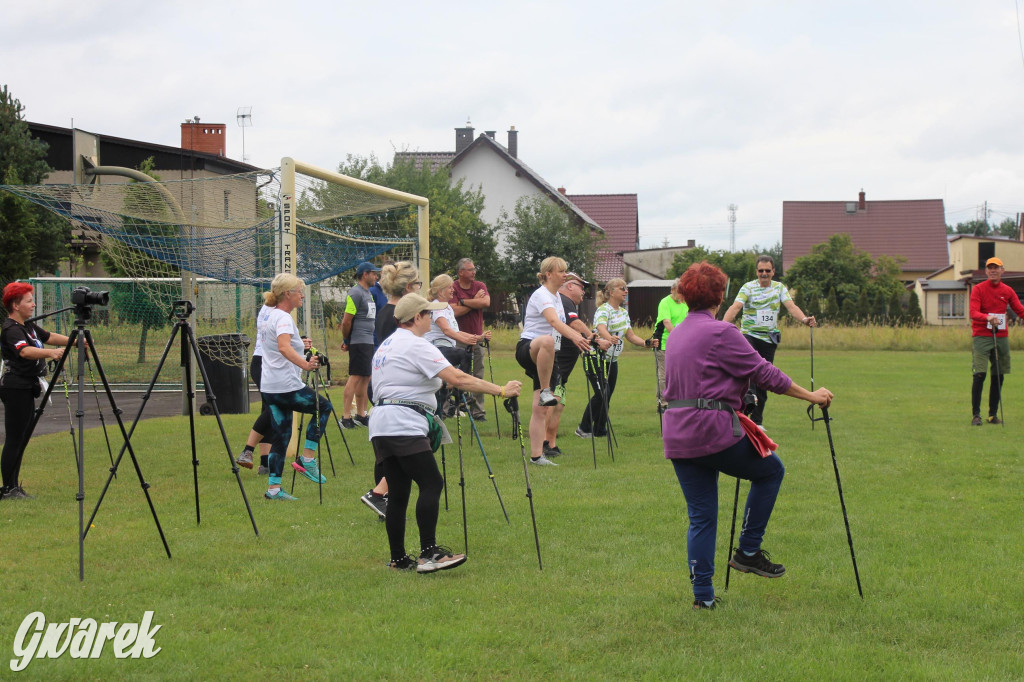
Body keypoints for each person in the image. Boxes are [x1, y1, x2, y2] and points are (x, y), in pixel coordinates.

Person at [663, 262, 833, 610]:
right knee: (771, 471)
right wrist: (812, 396)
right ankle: (748, 551)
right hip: (711, 429)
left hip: (678, 432)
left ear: (684, 294)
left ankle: (704, 599)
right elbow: (764, 373)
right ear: (720, 295)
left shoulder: (678, 331)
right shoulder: (723, 332)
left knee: (701, 516)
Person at [370, 293, 522, 571]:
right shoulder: (417, 345)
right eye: (428, 314)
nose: (432, 318)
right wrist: (501, 390)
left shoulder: (387, 345)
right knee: (432, 483)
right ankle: (429, 554)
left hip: (381, 424)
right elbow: (459, 378)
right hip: (405, 424)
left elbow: (409, 382)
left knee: (400, 491)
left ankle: (399, 559)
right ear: (416, 318)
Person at [259, 273, 332, 501]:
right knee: (324, 407)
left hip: (270, 386)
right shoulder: (282, 318)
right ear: (287, 294)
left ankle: (274, 489)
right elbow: (283, 347)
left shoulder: (271, 316)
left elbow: (282, 346)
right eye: (299, 291)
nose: (302, 295)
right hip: (285, 386)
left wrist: (301, 347)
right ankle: (307, 459)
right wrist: (305, 363)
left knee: (281, 435)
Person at [722, 255, 816, 426]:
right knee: (749, 371)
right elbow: (735, 307)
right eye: (760, 271)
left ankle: (757, 421)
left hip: (768, 339)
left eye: (767, 270)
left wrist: (804, 320)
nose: (764, 273)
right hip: (748, 335)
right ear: (756, 272)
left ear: (773, 272)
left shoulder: (779, 288)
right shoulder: (747, 287)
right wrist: (720, 327)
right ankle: (748, 397)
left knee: (764, 380)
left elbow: (791, 307)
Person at [516, 257, 591, 466]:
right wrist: (577, 338)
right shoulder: (541, 295)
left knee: (540, 408)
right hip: (529, 348)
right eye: (561, 271)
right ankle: (547, 390)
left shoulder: (558, 296)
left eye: (566, 271)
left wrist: (590, 338)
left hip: (547, 356)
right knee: (548, 341)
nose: (565, 274)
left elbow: (569, 322)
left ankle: (537, 456)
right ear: (548, 274)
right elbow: (553, 321)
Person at [361, 260, 422, 519]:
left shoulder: (387, 311)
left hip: (382, 382)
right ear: (408, 286)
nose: (421, 289)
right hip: (391, 385)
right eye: (418, 284)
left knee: (385, 450)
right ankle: (380, 494)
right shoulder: (399, 316)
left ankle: (384, 501)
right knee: (399, 449)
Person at [1, 282, 71, 500]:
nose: (34, 304)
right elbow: (25, 352)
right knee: (15, 438)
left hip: (26, 386)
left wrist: (76, 340)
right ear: (15, 304)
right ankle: (9, 488)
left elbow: (49, 336)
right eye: (29, 301)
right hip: (15, 387)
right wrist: (51, 354)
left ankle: (13, 486)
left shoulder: (28, 325)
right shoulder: (11, 329)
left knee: (22, 437)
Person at [576, 278, 656, 439]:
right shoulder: (604, 310)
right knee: (601, 394)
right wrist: (609, 338)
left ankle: (599, 429)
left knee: (608, 394)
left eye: (626, 289)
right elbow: (601, 328)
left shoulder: (623, 312)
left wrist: (646, 343)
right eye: (622, 288)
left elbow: (631, 336)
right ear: (611, 292)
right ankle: (583, 428)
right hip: (595, 357)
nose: (626, 291)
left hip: (611, 360)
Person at [543, 272, 608, 458]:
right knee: (550, 402)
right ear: (569, 286)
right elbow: (575, 323)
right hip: (555, 363)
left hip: (562, 366)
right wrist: (595, 340)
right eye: (581, 287)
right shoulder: (564, 301)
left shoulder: (565, 302)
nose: (584, 292)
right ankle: (542, 444)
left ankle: (551, 444)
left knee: (559, 403)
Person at [969, 257, 1024, 425]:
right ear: (986, 271)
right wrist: (988, 317)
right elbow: (973, 313)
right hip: (981, 336)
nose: (993, 270)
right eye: (990, 268)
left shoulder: (1007, 291)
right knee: (980, 374)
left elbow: (1020, 310)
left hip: (1001, 337)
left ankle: (992, 415)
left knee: (998, 375)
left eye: (996, 268)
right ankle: (976, 415)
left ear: (1002, 271)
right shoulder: (978, 289)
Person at [426, 274, 489, 418]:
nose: (452, 290)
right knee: (464, 355)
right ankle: (460, 391)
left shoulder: (447, 307)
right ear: (441, 290)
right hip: (437, 347)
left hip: (446, 346)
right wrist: (467, 341)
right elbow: (446, 330)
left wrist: (476, 338)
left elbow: (455, 331)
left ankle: (441, 410)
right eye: (449, 287)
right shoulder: (437, 306)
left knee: (440, 386)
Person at [340, 261, 380, 429]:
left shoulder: (368, 293)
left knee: (365, 378)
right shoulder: (355, 293)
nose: (376, 277)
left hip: (368, 341)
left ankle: (361, 414)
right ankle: (345, 417)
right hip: (359, 342)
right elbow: (346, 321)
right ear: (365, 274)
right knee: (356, 377)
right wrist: (347, 340)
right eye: (374, 273)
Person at [450, 258, 490, 421]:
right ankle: (453, 407)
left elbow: (486, 302)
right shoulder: (453, 287)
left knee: (478, 374)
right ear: (461, 272)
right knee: (455, 374)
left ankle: (478, 411)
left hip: (477, 337)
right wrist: (475, 301)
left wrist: (464, 301)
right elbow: (453, 311)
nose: (474, 272)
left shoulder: (480, 286)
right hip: (457, 337)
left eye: (474, 269)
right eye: (470, 269)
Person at [655, 280, 689, 409]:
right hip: (663, 342)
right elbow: (667, 322)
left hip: (680, 345)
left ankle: (676, 400)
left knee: (678, 374)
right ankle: (663, 404)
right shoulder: (665, 302)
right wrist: (678, 338)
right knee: (664, 375)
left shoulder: (685, 304)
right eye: (680, 292)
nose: (681, 296)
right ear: (673, 290)